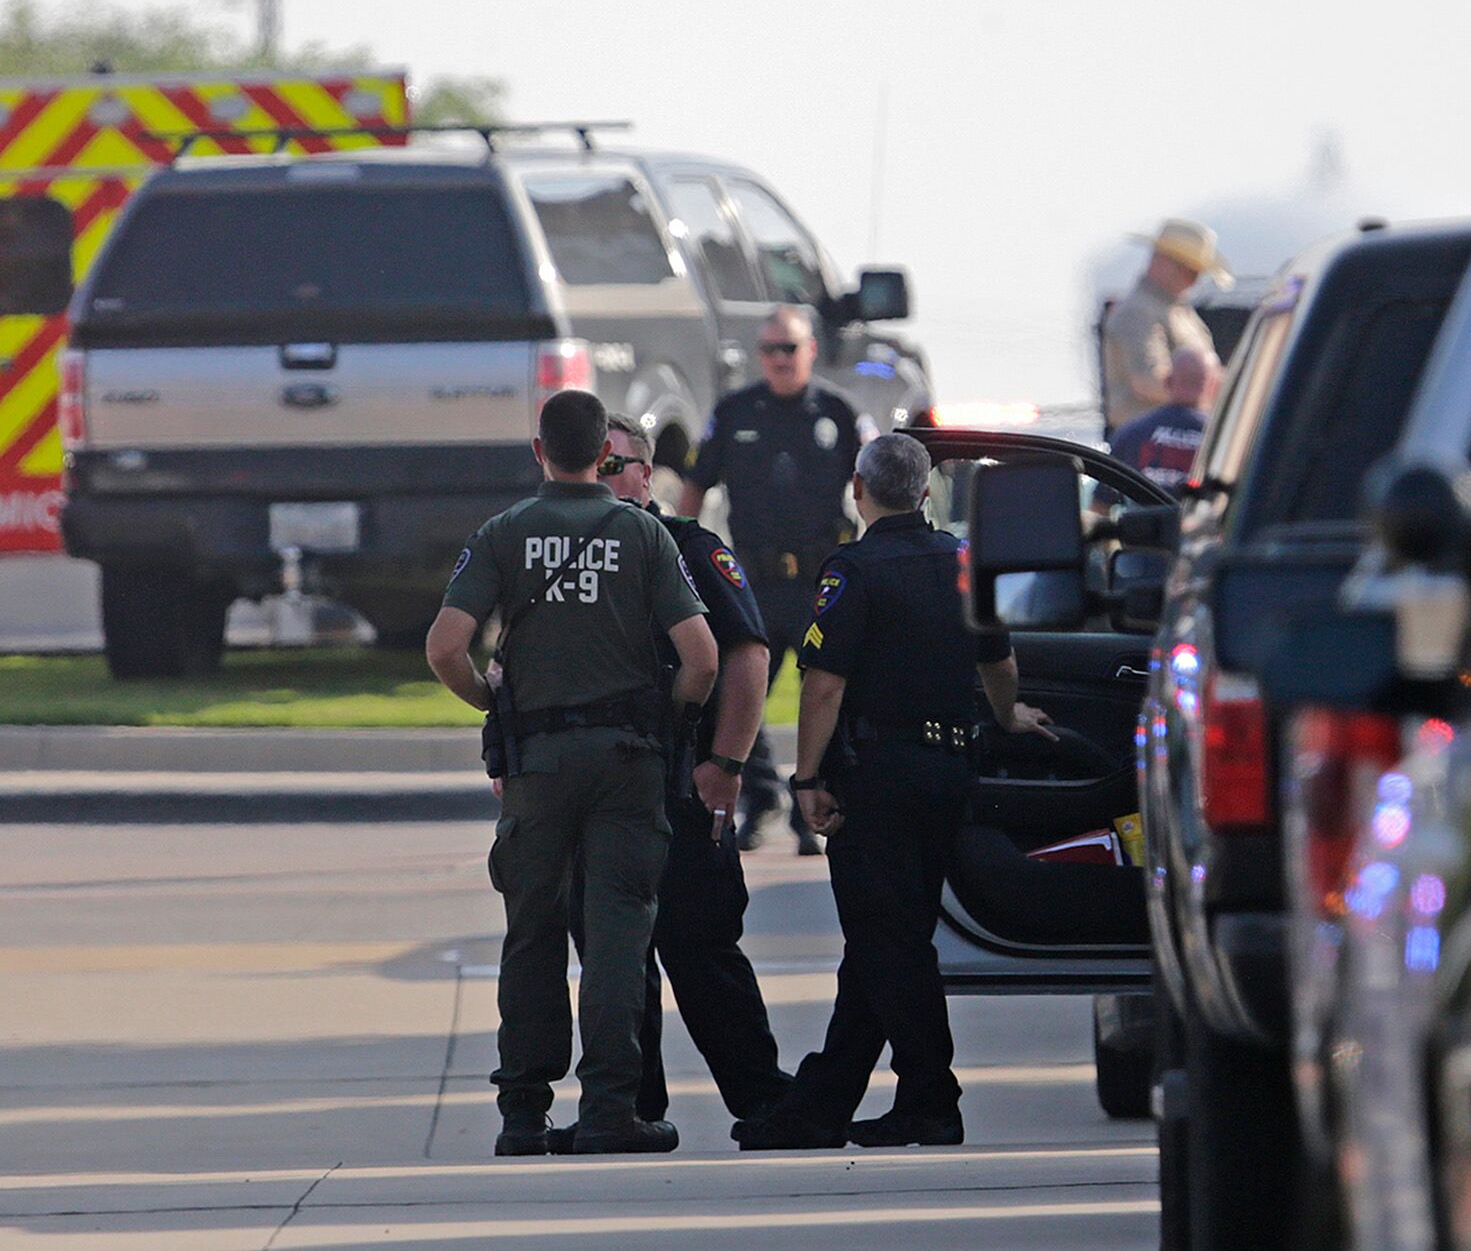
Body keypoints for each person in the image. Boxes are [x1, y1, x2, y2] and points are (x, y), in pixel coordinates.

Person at [737, 434, 1053, 1152]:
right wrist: (1009, 715)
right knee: (887, 942)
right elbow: (998, 656)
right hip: (949, 772)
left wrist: (808, 778)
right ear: (926, 490)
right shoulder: (964, 563)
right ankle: (818, 1108)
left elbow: (824, 686)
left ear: (859, 488)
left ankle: (931, 1100)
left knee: (890, 941)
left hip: (875, 777)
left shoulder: (853, 571)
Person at [427, 389, 718, 1157]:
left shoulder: (503, 534)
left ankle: (523, 1111)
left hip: (537, 765)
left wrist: (493, 702)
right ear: (605, 455)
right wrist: (668, 718)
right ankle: (611, 1108)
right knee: (620, 929)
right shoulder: (643, 536)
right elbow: (703, 658)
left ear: (538, 451)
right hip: (627, 759)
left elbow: (444, 646)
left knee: (532, 932)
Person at [567, 414, 789, 1135]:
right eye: (593, 465)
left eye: (617, 465)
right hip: (598, 788)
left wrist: (726, 765)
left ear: (647, 472)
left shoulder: (691, 549)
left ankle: (762, 1098)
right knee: (614, 956)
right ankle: (631, 1107)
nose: (605, 478)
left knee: (700, 945)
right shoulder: (562, 553)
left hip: (683, 782)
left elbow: (747, 655)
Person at [678, 306, 870, 851]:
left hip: (820, 581)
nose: (780, 359)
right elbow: (695, 488)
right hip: (754, 581)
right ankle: (760, 797)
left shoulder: (838, 412)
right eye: (770, 350)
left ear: (812, 349)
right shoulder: (736, 411)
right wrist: (680, 551)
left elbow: (871, 487)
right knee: (739, 688)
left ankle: (815, 804)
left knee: (827, 689)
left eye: (790, 348)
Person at [1100, 220, 1220, 437]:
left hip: (1178, 437)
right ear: (1162, 261)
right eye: (1190, 270)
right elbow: (1149, 381)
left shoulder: (1181, 311)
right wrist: (1221, 390)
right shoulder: (1137, 310)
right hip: (1147, 444)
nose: (1195, 279)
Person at [1108, 348, 1221, 484]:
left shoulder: (1131, 433)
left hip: (1144, 505)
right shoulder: (1224, 438)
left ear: (1167, 381)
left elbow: (1101, 502)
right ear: (1214, 387)